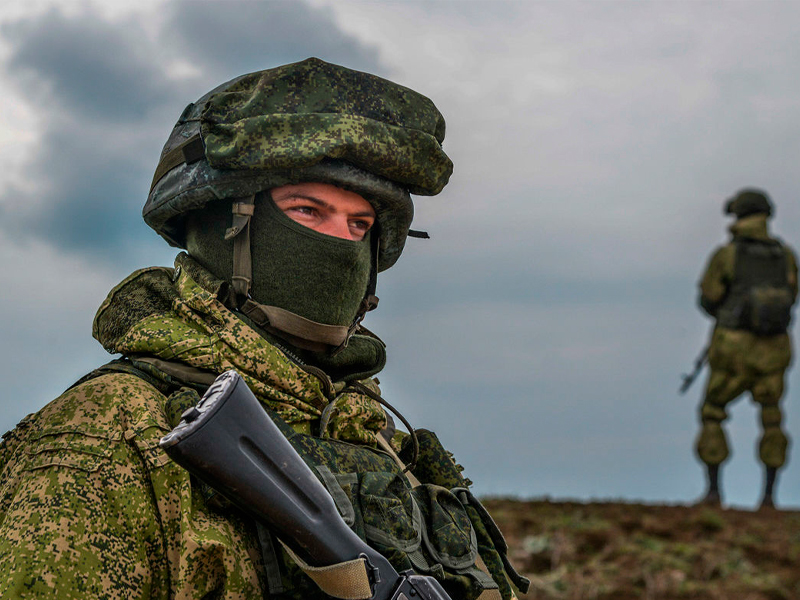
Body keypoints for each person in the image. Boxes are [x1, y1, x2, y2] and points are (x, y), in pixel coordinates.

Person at [0, 58, 529, 599]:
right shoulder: (112, 433)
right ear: (223, 223)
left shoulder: (378, 440)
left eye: (359, 224)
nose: (338, 244)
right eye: (307, 211)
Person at [694, 188, 797, 509]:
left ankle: (713, 493)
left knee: (713, 412)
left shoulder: (727, 254)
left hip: (732, 346)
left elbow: (708, 297)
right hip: (775, 347)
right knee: (772, 418)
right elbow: (793, 296)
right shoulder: (786, 256)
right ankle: (769, 497)